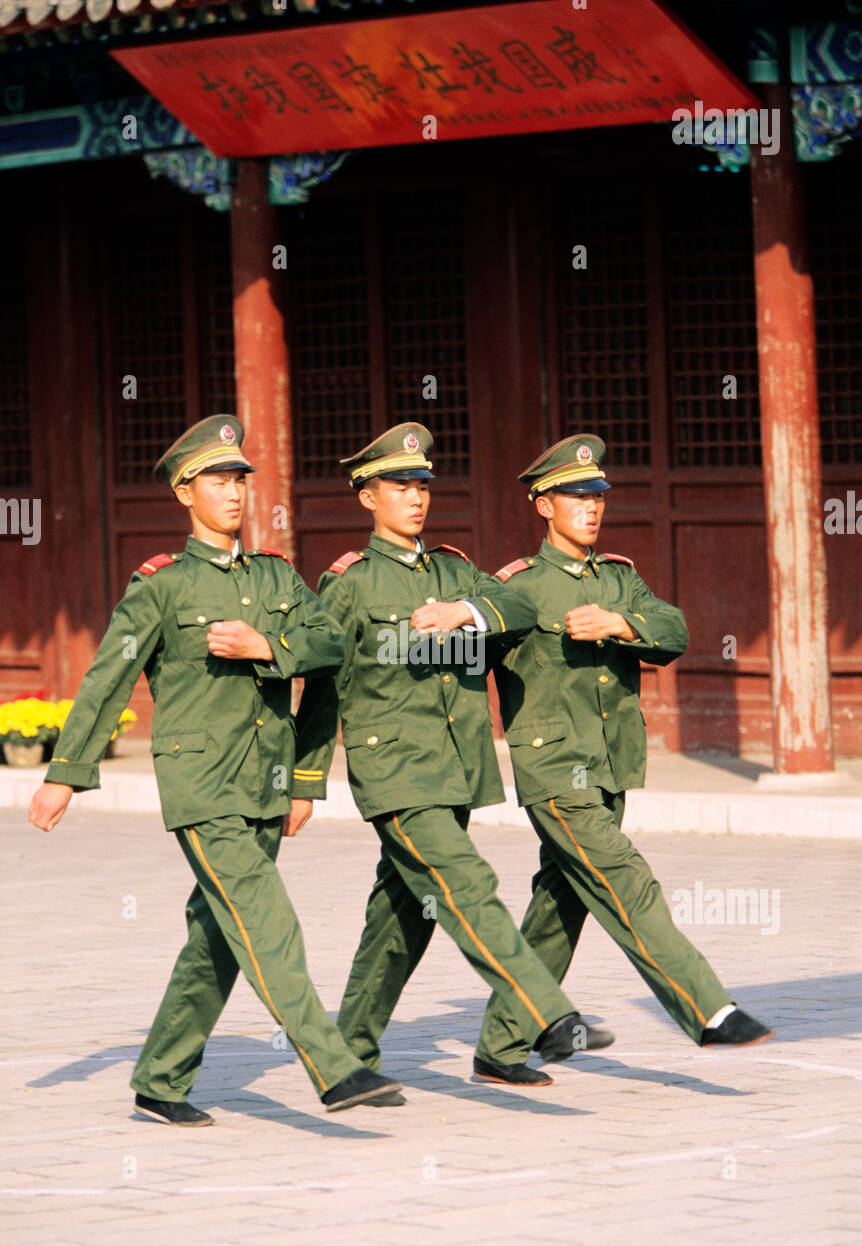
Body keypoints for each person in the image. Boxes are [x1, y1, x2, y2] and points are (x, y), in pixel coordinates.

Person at [28, 415, 403, 1124]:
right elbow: (108, 678)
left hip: (263, 780)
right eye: (216, 480)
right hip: (202, 787)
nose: (233, 492)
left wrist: (270, 645)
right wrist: (64, 774)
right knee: (265, 920)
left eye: (239, 479)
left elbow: (329, 645)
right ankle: (334, 1065)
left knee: (219, 934)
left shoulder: (274, 576)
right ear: (183, 492)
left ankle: (162, 1077)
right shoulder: (160, 587)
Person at [291, 421, 613, 1088]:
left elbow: (518, 608)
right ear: (366, 498)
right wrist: (303, 780)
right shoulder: (349, 583)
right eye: (397, 484)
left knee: (402, 916)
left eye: (421, 483)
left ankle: (346, 1058)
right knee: (466, 884)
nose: (414, 495)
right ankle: (545, 1014)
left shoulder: (455, 569)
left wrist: (465, 609)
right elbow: (324, 683)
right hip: (395, 773)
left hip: (458, 771)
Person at [474, 433, 774, 1083]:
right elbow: (470, 645)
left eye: (597, 494)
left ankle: (500, 1046)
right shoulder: (519, 588)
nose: (591, 506)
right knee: (625, 878)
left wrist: (622, 625)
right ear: (542, 506)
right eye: (574, 496)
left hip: (611, 764)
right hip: (555, 770)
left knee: (563, 901)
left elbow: (676, 630)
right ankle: (707, 1008)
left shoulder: (619, 578)